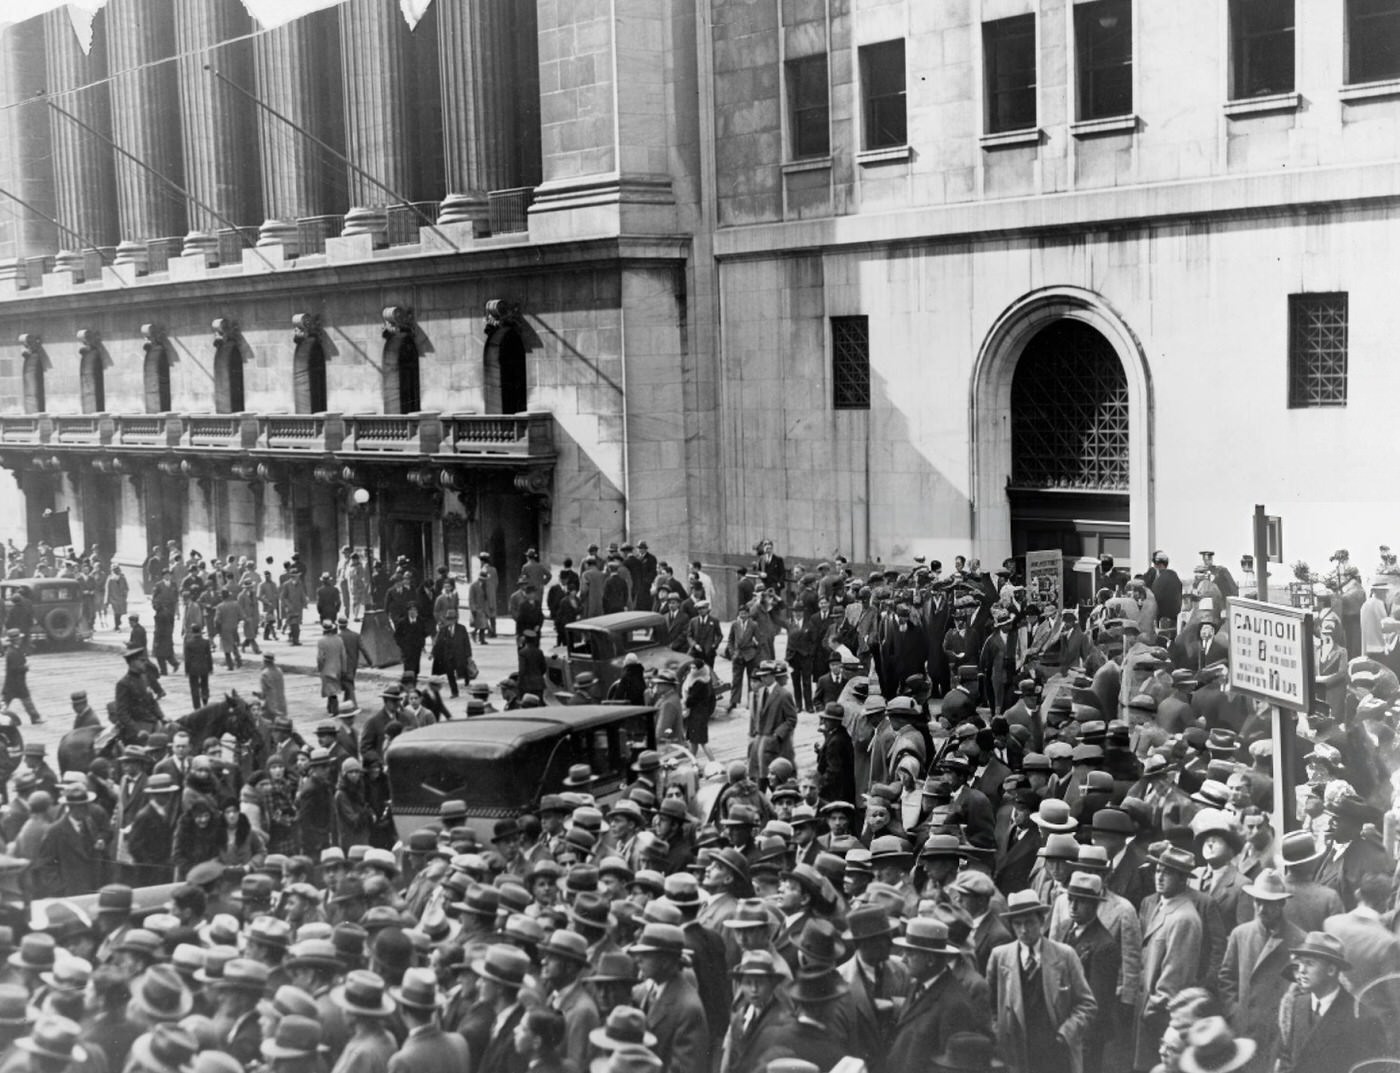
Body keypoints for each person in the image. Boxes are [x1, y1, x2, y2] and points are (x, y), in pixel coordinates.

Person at [1276, 931, 1385, 1073]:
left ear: (1331, 970)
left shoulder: (1363, 1019)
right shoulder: (1297, 1005)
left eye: (1309, 963)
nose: (1301, 970)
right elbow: (1286, 1059)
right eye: (1300, 963)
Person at [429, 610, 473, 699]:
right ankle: (454, 692)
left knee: (463, 669)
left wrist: (468, 655)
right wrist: (432, 653)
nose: (450, 621)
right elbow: (438, 643)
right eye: (448, 619)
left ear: (455, 619)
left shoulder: (461, 629)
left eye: (452, 619)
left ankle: (466, 679)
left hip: (459, 656)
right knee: (450, 674)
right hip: (448, 657)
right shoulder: (443, 630)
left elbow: (466, 643)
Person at [2, 632, 42, 725]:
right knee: (8, 702)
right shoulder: (12, 652)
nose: (20, 640)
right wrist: (25, 667)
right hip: (14, 683)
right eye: (19, 638)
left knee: (26, 701)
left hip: (16, 682)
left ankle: (35, 718)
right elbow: (14, 668)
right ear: (15, 640)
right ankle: (35, 718)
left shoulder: (15, 650)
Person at [317, 621, 345, 716]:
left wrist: (320, 668)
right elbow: (343, 656)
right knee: (333, 689)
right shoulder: (339, 640)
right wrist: (343, 669)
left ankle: (334, 709)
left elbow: (320, 658)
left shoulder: (321, 641)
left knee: (331, 691)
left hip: (326, 669)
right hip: (337, 669)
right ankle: (330, 707)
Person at [183, 624, 213, 708]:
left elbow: (187, 659)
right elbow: (209, 656)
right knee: (205, 684)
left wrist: (186, 670)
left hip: (193, 668)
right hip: (204, 666)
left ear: (192, 632)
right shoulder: (206, 642)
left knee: (194, 687)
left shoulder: (188, 643)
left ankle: (197, 706)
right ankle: (205, 697)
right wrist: (210, 668)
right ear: (200, 631)